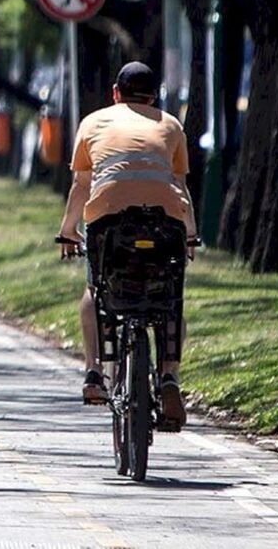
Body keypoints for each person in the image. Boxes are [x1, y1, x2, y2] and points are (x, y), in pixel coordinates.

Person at [57, 61, 197, 428]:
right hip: (165, 221)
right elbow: (180, 186)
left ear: (116, 93)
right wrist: (191, 234)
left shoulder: (93, 122)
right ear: (154, 96)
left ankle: (94, 372)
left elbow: (81, 185)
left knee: (96, 290)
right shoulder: (171, 125)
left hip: (109, 222)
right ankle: (169, 376)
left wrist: (68, 230)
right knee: (171, 299)